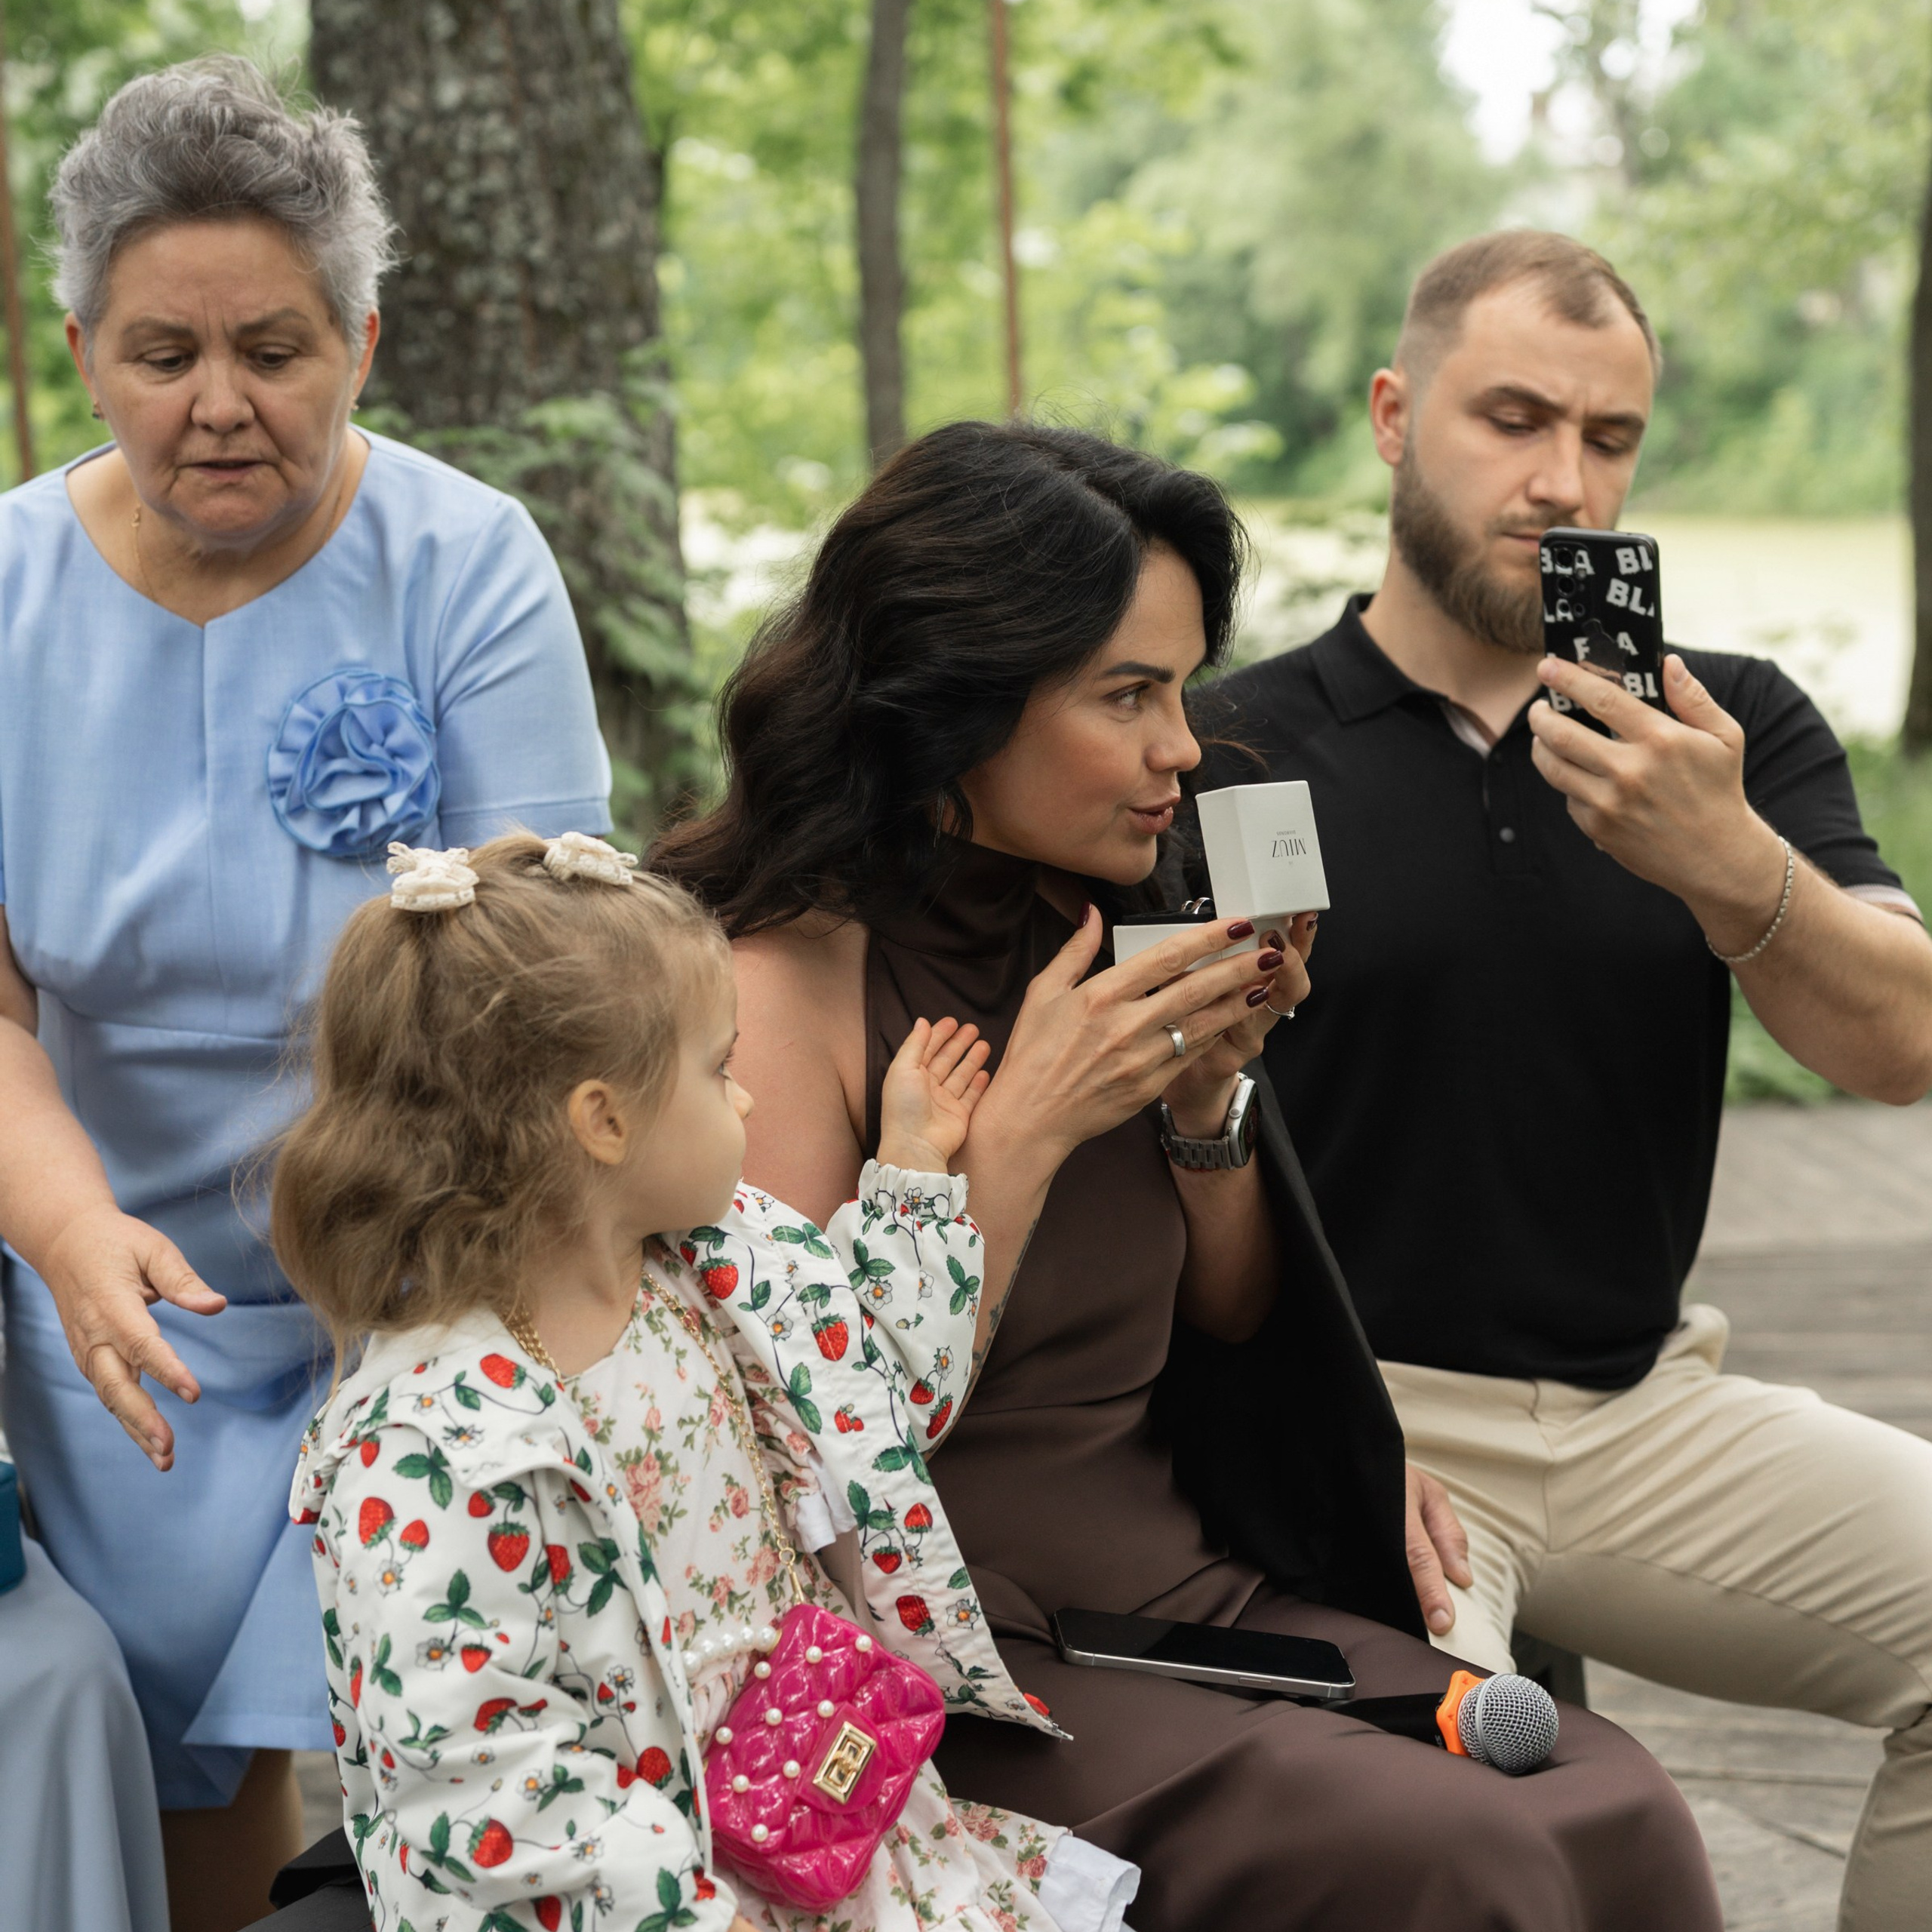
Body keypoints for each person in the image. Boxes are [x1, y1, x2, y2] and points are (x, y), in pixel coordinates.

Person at [652, 418, 1722, 1931]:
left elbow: (1222, 1324)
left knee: (1605, 1796)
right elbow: (793, 1461)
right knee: (1446, 1850)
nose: (1179, 744)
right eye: (1128, 694)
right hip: (947, 1650)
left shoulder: (1100, 916)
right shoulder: (779, 982)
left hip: (1194, 1588)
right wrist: (1016, 1129)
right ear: (957, 699)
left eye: (1178, 681)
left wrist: (1210, 1103)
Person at [1195, 229, 1932, 1931]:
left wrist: (1722, 858)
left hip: (1638, 1405)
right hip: (1360, 1409)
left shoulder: (1719, 728)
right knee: (1437, 1826)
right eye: (1511, 418)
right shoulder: (1237, 747)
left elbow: (1896, 1042)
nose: (1559, 481)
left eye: (1607, 437)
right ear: (1392, 414)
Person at [0, 57, 610, 1930]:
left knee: (441, 1736)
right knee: (170, 1736)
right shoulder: (3, 583)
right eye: (163, 353)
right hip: (88, 1250)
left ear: (362, 332)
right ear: (84, 343)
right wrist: (71, 1228)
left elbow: (547, 974)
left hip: (413, 1239)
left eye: (273, 348)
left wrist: (405, 1278)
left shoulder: (464, 562)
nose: (219, 407)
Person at [276, 829, 1142, 1932]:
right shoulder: (427, 1450)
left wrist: (916, 1173)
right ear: (604, 1119)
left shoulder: (718, 1270)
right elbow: (484, 1789)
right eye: (717, 1067)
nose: (742, 1102)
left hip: (832, 1827)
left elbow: (879, 1403)